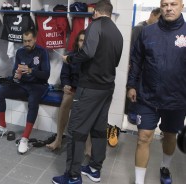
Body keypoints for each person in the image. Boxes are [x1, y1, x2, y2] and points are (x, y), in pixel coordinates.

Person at [52, 1, 123, 184]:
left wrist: (70, 58)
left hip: (90, 88)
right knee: (99, 129)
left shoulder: (95, 26)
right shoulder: (117, 32)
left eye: (93, 13)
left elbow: (88, 52)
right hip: (107, 88)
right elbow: (115, 61)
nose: (91, 16)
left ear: (97, 12)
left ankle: (73, 176)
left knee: (77, 130)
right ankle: (94, 169)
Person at [126, 0, 186, 184]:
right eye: (165, 4)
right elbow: (136, 61)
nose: (169, 8)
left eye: (173, 4)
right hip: (148, 96)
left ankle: (165, 167)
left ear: (182, 5)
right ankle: (139, 181)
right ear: (160, 6)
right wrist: (131, 85)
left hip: (177, 98)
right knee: (143, 138)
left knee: (169, 135)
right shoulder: (147, 31)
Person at [0, 29, 50, 154]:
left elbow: (46, 75)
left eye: (29, 41)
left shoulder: (42, 52)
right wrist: (16, 75)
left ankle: (25, 138)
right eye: (24, 41)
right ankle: (2, 127)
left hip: (39, 85)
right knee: (0, 93)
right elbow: (15, 71)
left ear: (35, 40)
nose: (26, 43)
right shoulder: (20, 52)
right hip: (23, 84)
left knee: (32, 101)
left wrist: (32, 71)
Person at [46, 30, 85, 150]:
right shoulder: (71, 56)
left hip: (86, 90)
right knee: (65, 102)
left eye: (85, 41)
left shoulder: (92, 58)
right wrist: (66, 85)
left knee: (89, 110)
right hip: (73, 89)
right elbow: (64, 75)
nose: (83, 43)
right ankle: (58, 139)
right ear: (77, 42)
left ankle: (88, 146)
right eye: (81, 40)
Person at [126, 7, 161, 124]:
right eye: (158, 18)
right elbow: (132, 50)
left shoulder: (157, 31)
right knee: (135, 91)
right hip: (136, 68)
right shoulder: (139, 29)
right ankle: (132, 113)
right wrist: (130, 63)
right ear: (152, 15)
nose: (159, 21)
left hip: (147, 71)